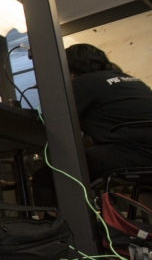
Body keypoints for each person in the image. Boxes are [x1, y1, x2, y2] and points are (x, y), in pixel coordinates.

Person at [33, 44, 152, 206]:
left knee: (46, 176)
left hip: (132, 153)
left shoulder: (82, 84)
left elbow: (50, 118)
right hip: (142, 154)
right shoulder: (131, 80)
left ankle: (57, 229)